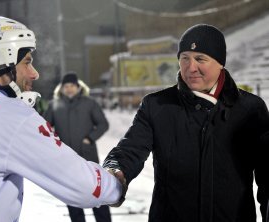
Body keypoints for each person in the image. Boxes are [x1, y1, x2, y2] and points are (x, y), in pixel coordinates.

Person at [103, 24, 269, 222]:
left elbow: (267, 176)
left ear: (220, 63)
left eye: (200, 59)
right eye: (185, 59)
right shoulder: (157, 106)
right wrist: (115, 169)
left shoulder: (250, 109)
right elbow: (130, 148)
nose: (191, 68)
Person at [0, 16, 123, 222]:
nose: (34, 74)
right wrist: (115, 185)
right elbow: (86, 187)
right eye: (27, 62)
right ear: (1, 61)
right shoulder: (14, 115)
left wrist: (88, 138)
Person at [43, 72, 112, 222]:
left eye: (72, 86)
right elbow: (45, 127)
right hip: (66, 159)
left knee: (96, 194)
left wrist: (90, 138)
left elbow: (103, 124)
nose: (69, 89)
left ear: (78, 87)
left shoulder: (89, 103)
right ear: (61, 89)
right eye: (66, 86)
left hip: (88, 157)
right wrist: (55, 144)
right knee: (72, 195)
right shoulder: (54, 106)